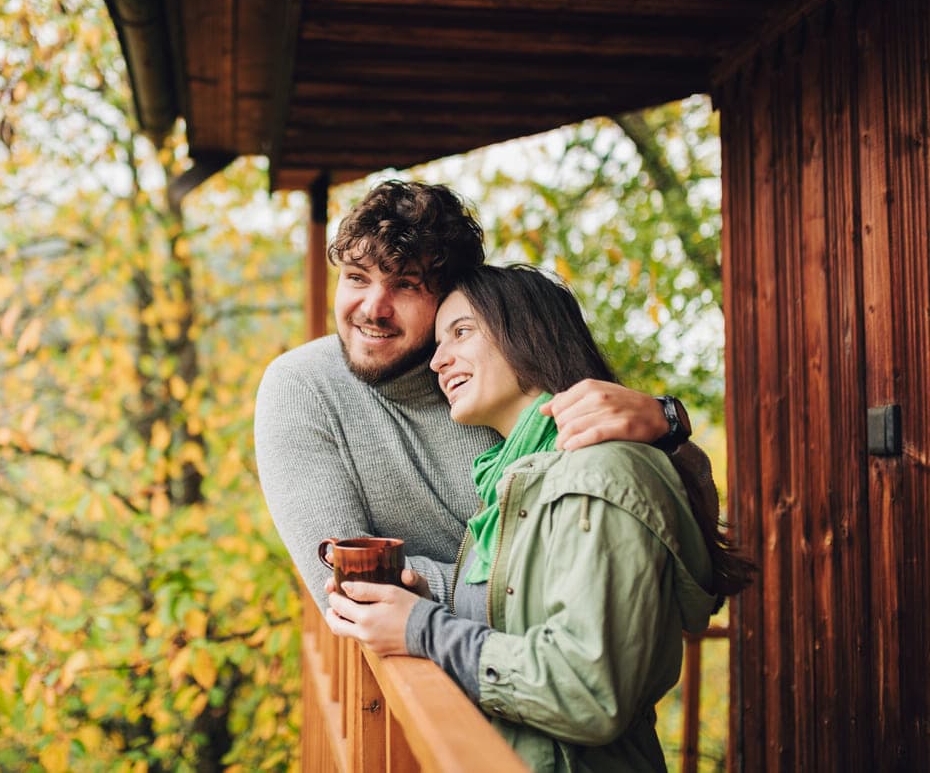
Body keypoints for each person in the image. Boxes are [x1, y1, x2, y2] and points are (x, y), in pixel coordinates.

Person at [323, 264, 754, 771]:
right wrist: (427, 605)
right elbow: (527, 630)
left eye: (461, 332)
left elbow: (589, 691)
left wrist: (424, 628)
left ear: (527, 334)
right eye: (438, 342)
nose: (439, 360)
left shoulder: (598, 472)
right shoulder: (512, 480)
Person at [255, 180, 711, 612]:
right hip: (444, 678)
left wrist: (667, 423)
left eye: (406, 284)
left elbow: (671, 555)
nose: (373, 307)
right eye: (356, 277)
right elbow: (347, 582)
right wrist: (544, 595)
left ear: (451, 294)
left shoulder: (501, 373)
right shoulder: (301, 386)